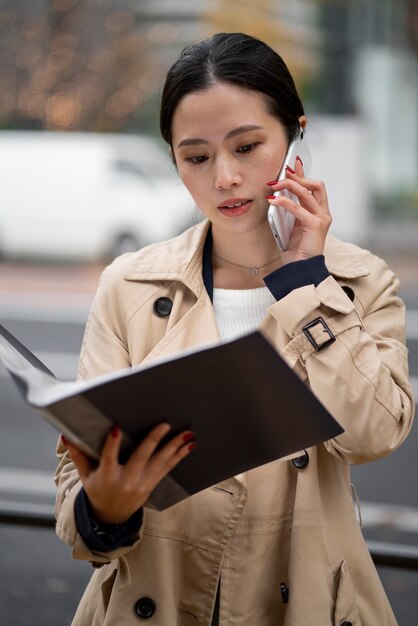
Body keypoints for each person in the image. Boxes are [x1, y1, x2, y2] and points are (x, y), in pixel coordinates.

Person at [55, 32, 415, 626]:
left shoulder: (359, 282)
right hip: (154, 599)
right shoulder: (131, 285)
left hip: (304, 601)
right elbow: (76, 471)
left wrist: (306, 285)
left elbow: (374, 434)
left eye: (247, 146)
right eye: (196, 157)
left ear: (294, 132)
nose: (224, 177)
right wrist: (105, 509)